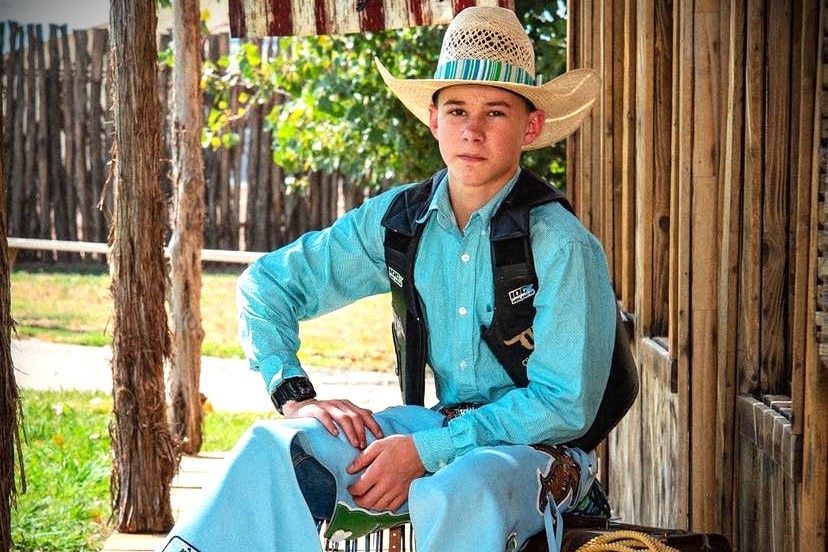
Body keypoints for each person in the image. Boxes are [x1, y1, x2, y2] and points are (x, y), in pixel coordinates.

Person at [159, 6, 618, 552]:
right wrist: (294, 395)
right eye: (456, 109)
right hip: (436, 426)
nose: (472, 130)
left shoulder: (561, 243)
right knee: (281, 446)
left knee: (459, 492)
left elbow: (565, 404)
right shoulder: (401, 223)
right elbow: (267, 284)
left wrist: (427, 452)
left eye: (496, 112)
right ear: (434, 120)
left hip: (546, 453)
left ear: (531, 125)